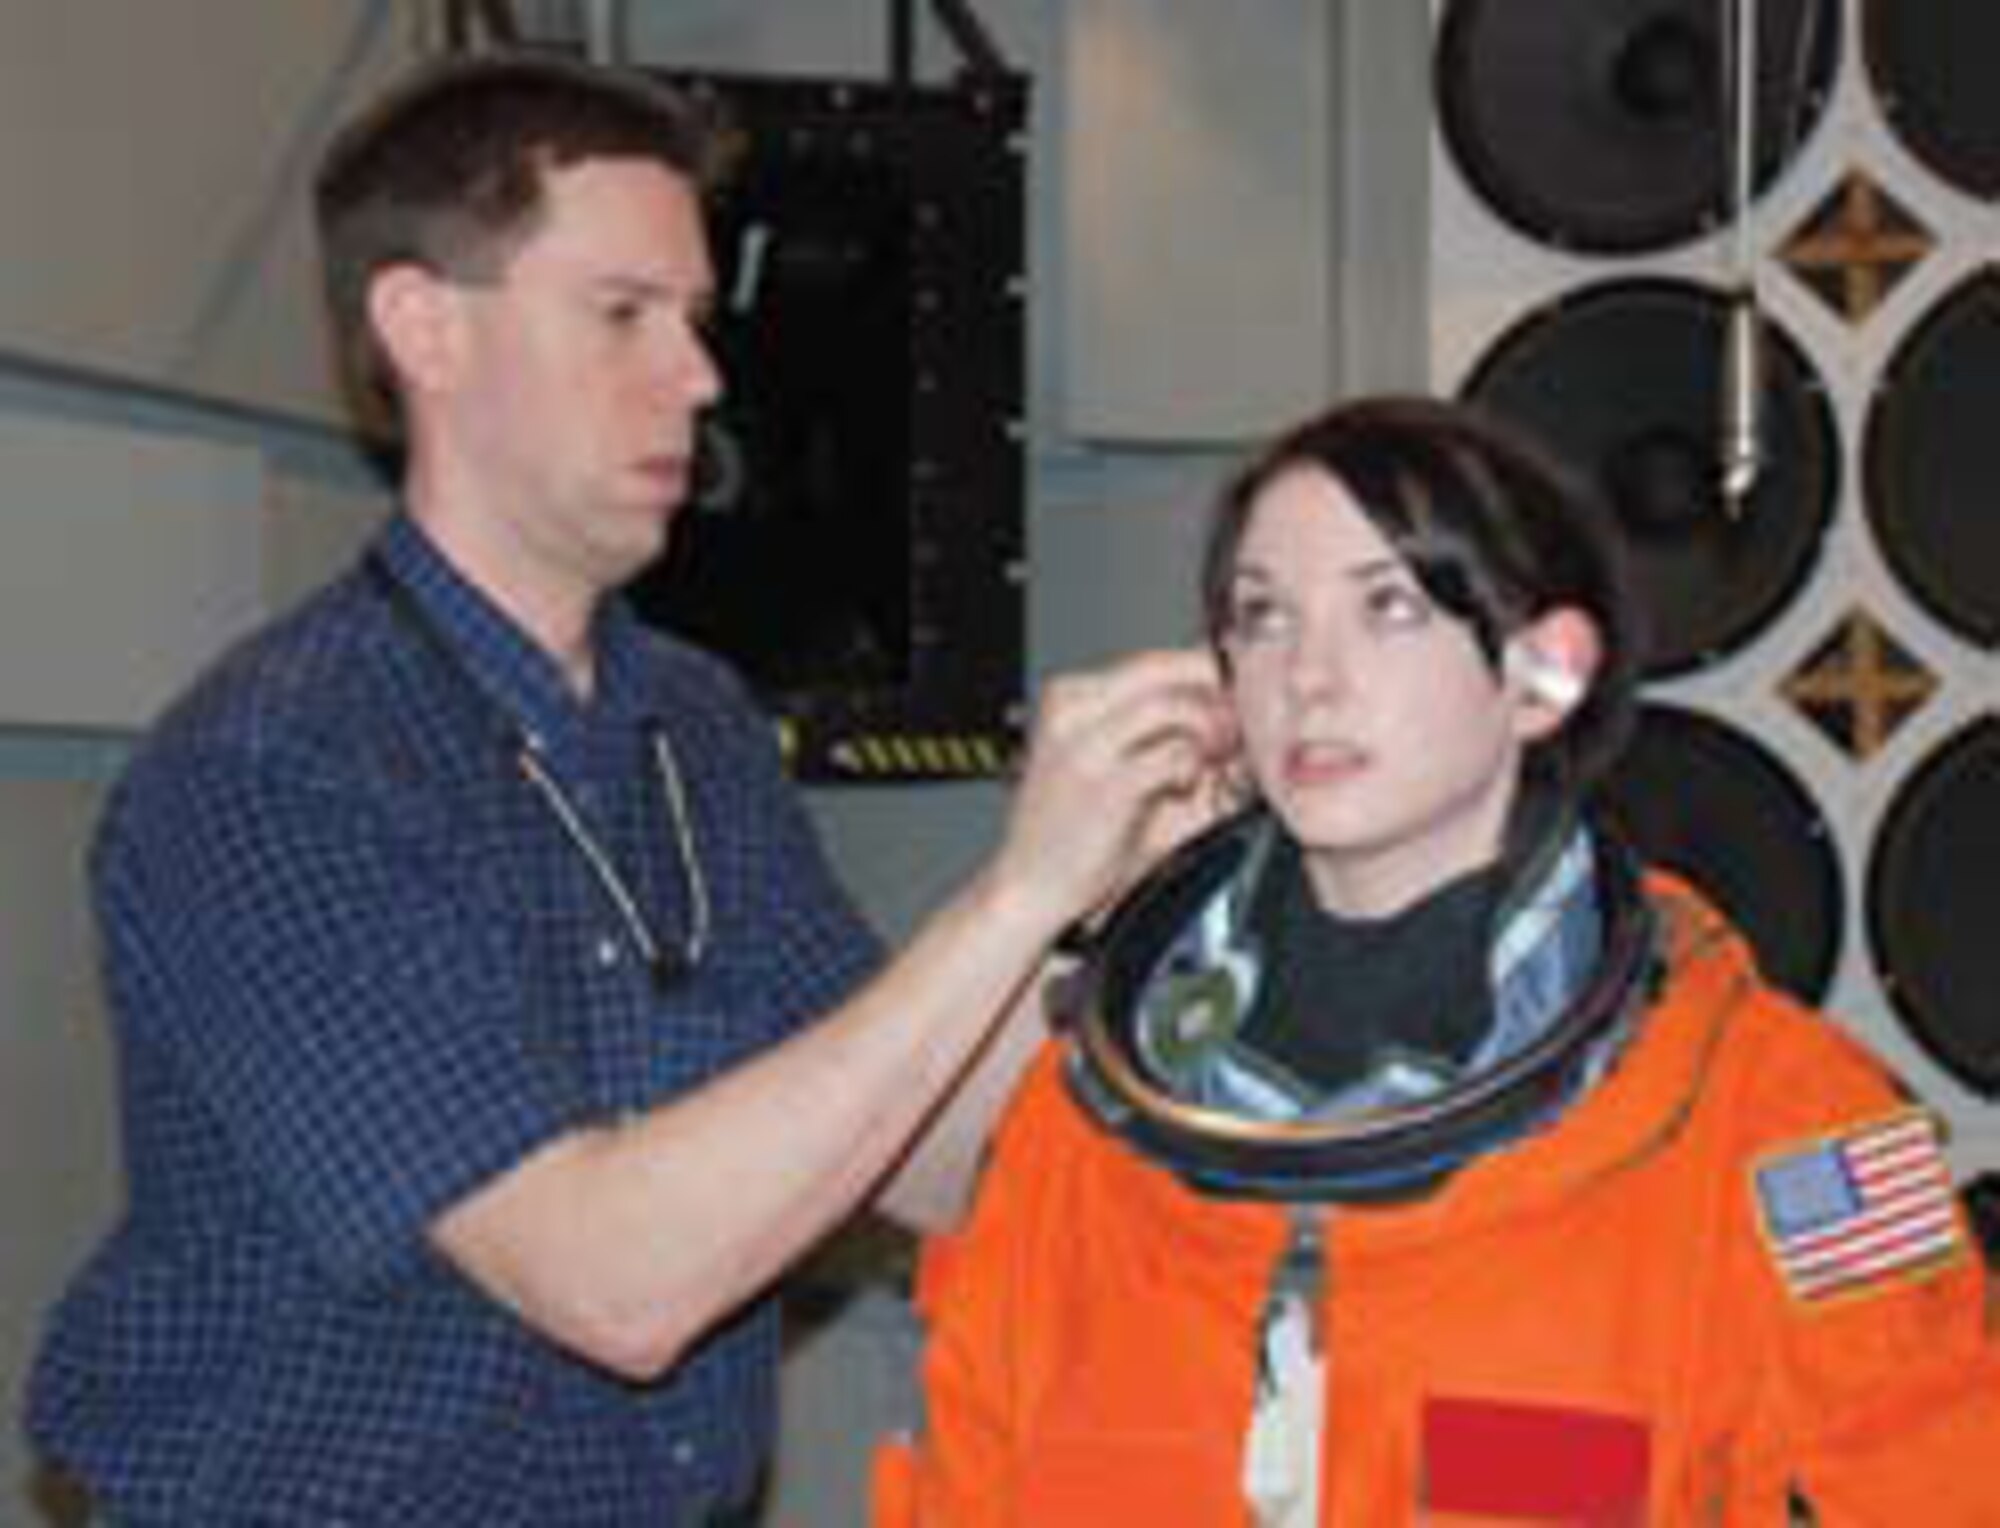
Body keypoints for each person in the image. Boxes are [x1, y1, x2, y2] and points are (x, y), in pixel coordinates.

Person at [23, 52, 1231, 1526]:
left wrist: (1112, 911)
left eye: (697, 321)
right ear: (425, 330)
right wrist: (1014, 891)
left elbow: (923, 1163)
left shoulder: (695, 725)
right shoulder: (274, 770)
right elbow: (609, 1283)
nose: (703, 376)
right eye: (622, 316)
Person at [874, 397, 2000, 1525]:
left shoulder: (1796, 1124)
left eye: (1388, 608)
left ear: (1539, 678)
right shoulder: (1084, 1111)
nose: (1307, 677)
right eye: (1261, 617)